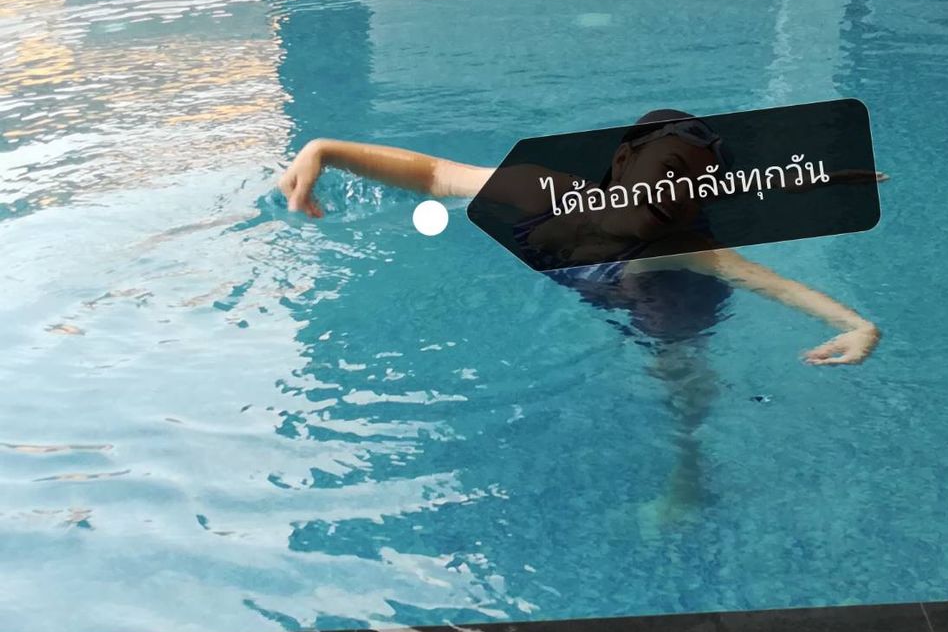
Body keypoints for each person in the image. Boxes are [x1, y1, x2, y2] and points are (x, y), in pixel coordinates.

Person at [278, 110, 882, 524]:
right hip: (591, 274)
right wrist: (325, 150)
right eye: (666, 175)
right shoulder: (542, 191)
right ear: (621, 167)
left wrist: (857, 326)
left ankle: (687, 480)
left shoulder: (682, 250)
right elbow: (436, 174)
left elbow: (769, 282)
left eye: (690, 187)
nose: (672, 194)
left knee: (683, 378)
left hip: (652, 296)